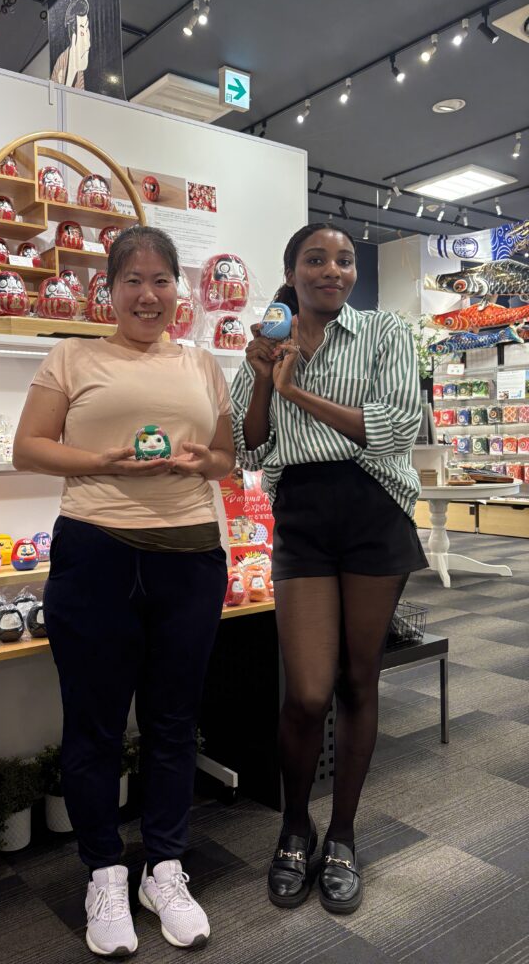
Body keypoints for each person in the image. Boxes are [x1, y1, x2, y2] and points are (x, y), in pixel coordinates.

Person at [13, 226, 234, 957]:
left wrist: (204, 461)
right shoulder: (71, 356)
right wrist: (101, 460)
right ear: (107, 290)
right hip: (96, 553)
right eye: (132, 280)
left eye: (161, 279)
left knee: (173, 722)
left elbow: (227, 458)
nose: (147, 294)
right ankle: (104, 873)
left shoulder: (202, 363)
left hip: (191, 557)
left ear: (178, 290)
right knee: (94, 726)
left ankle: (164, 869)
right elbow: (27, 448)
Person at [230, 223, 427, 915]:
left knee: (357, 679)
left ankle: (341, 835)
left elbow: (397, 428)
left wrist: (298, 392)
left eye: (344, 261)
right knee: (308, 693)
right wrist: (265, 379)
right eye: (316, 259)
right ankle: (295, 825)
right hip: (305, 518)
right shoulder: (268, 342)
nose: (333, 271)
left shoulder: (384, 332)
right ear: (292, 271)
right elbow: (248, 450)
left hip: (375, 509)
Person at [50, 0, 91, 89]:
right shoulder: (61, 65)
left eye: (87, 30)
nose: (88, 44)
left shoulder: (79, 72)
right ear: (73, 36)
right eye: (82, 31)